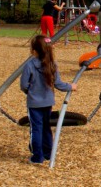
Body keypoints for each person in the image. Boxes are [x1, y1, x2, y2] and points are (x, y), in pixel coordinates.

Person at [20, 35, 77, 164]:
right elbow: (59, 84)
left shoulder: (29, 65)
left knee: (36, 129)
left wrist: (30, 92)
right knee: (46, 127)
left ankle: (37, 157)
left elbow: (23, 85)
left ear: (34, 51)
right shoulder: (52, 65)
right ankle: (48, 153)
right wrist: (70, 86)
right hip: (47, 102)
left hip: (34, 103)